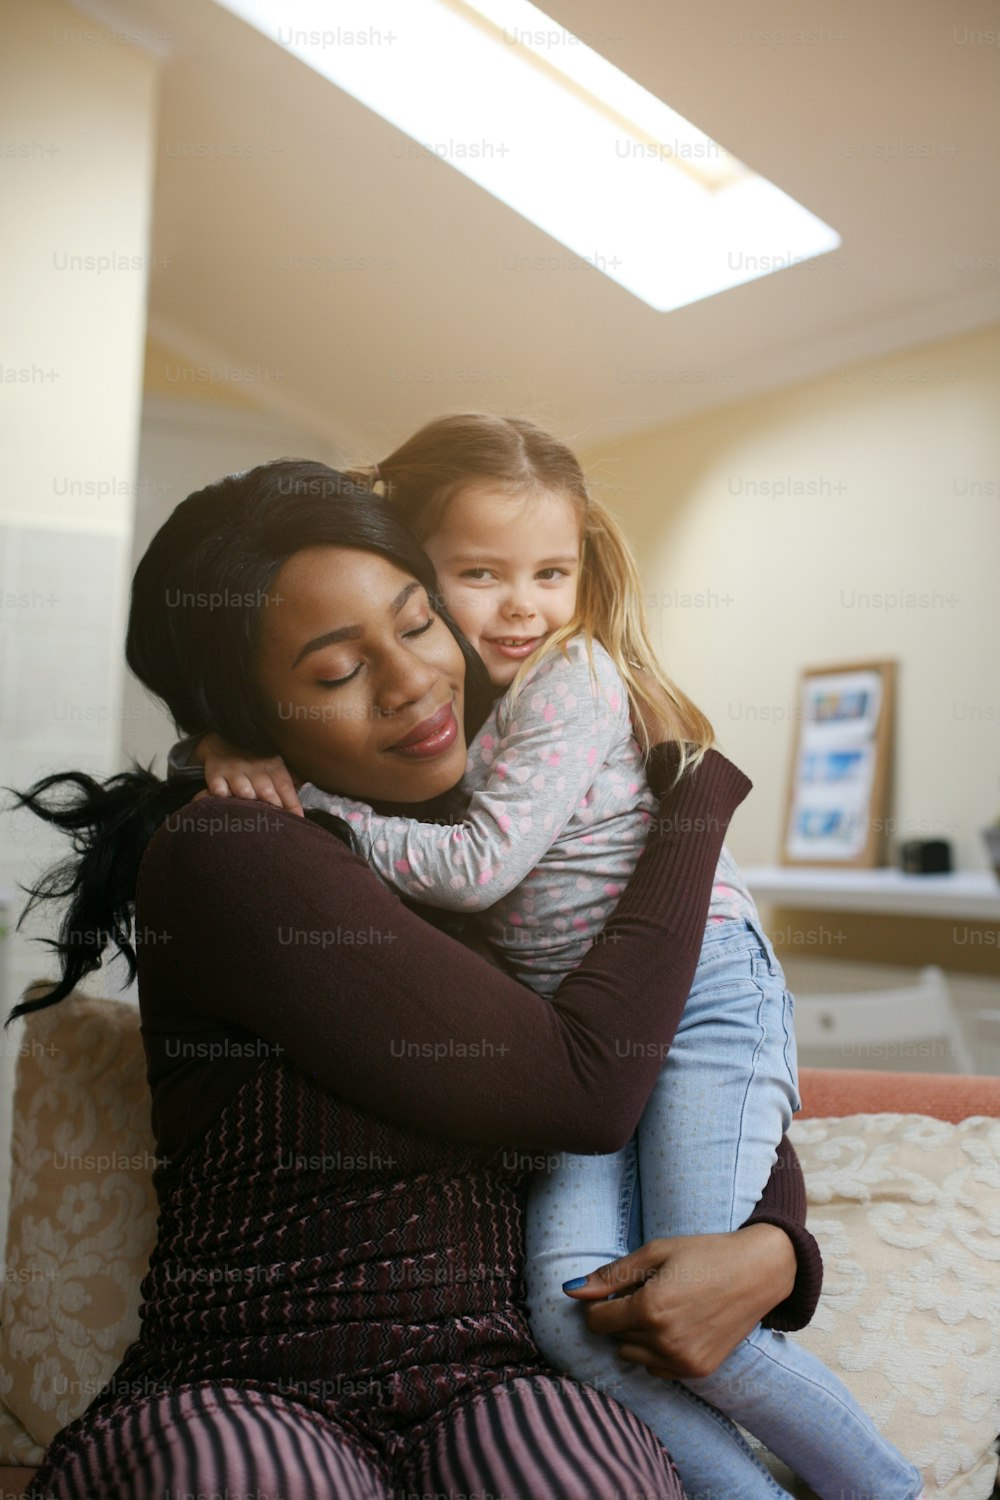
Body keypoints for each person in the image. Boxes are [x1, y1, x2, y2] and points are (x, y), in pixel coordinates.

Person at [9, 459, 818, 1500]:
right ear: (252, 719)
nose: (410, 681)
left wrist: (774, 1249)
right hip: (250, 1380)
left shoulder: (508, 837)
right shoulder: (232, 853)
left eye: (419, 622)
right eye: (337, 673)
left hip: (501, 1377)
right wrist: (696, 800)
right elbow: (584, 1087)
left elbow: (704, 1057)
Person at [187, 420, 924, 1500]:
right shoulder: (453, 728)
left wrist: (315, 814)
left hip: (703, 998)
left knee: (689, 1310)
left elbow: (482, 868)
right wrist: (218, 740)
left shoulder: (570, 682)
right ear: (417, 574)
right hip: (588, 1039)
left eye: (550, 572)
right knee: (583, 1313)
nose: (522, 604)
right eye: (478, 575)